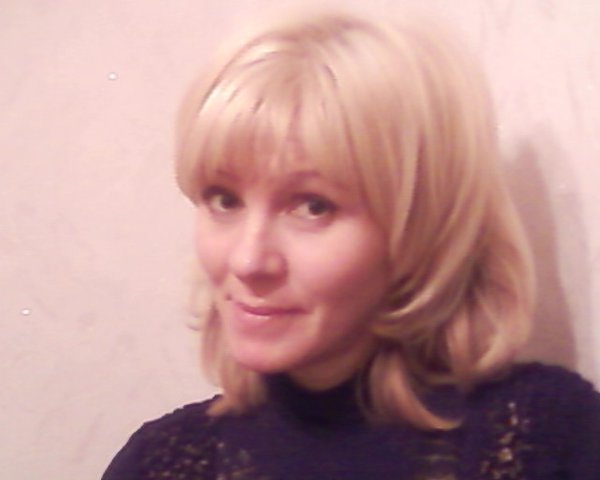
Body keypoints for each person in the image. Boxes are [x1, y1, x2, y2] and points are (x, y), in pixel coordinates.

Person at [102, 11, 600, 479]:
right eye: (224, 200)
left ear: (422, 227)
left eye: (312, 206)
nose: (248, 259)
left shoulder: (545, 439)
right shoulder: (161, 462)